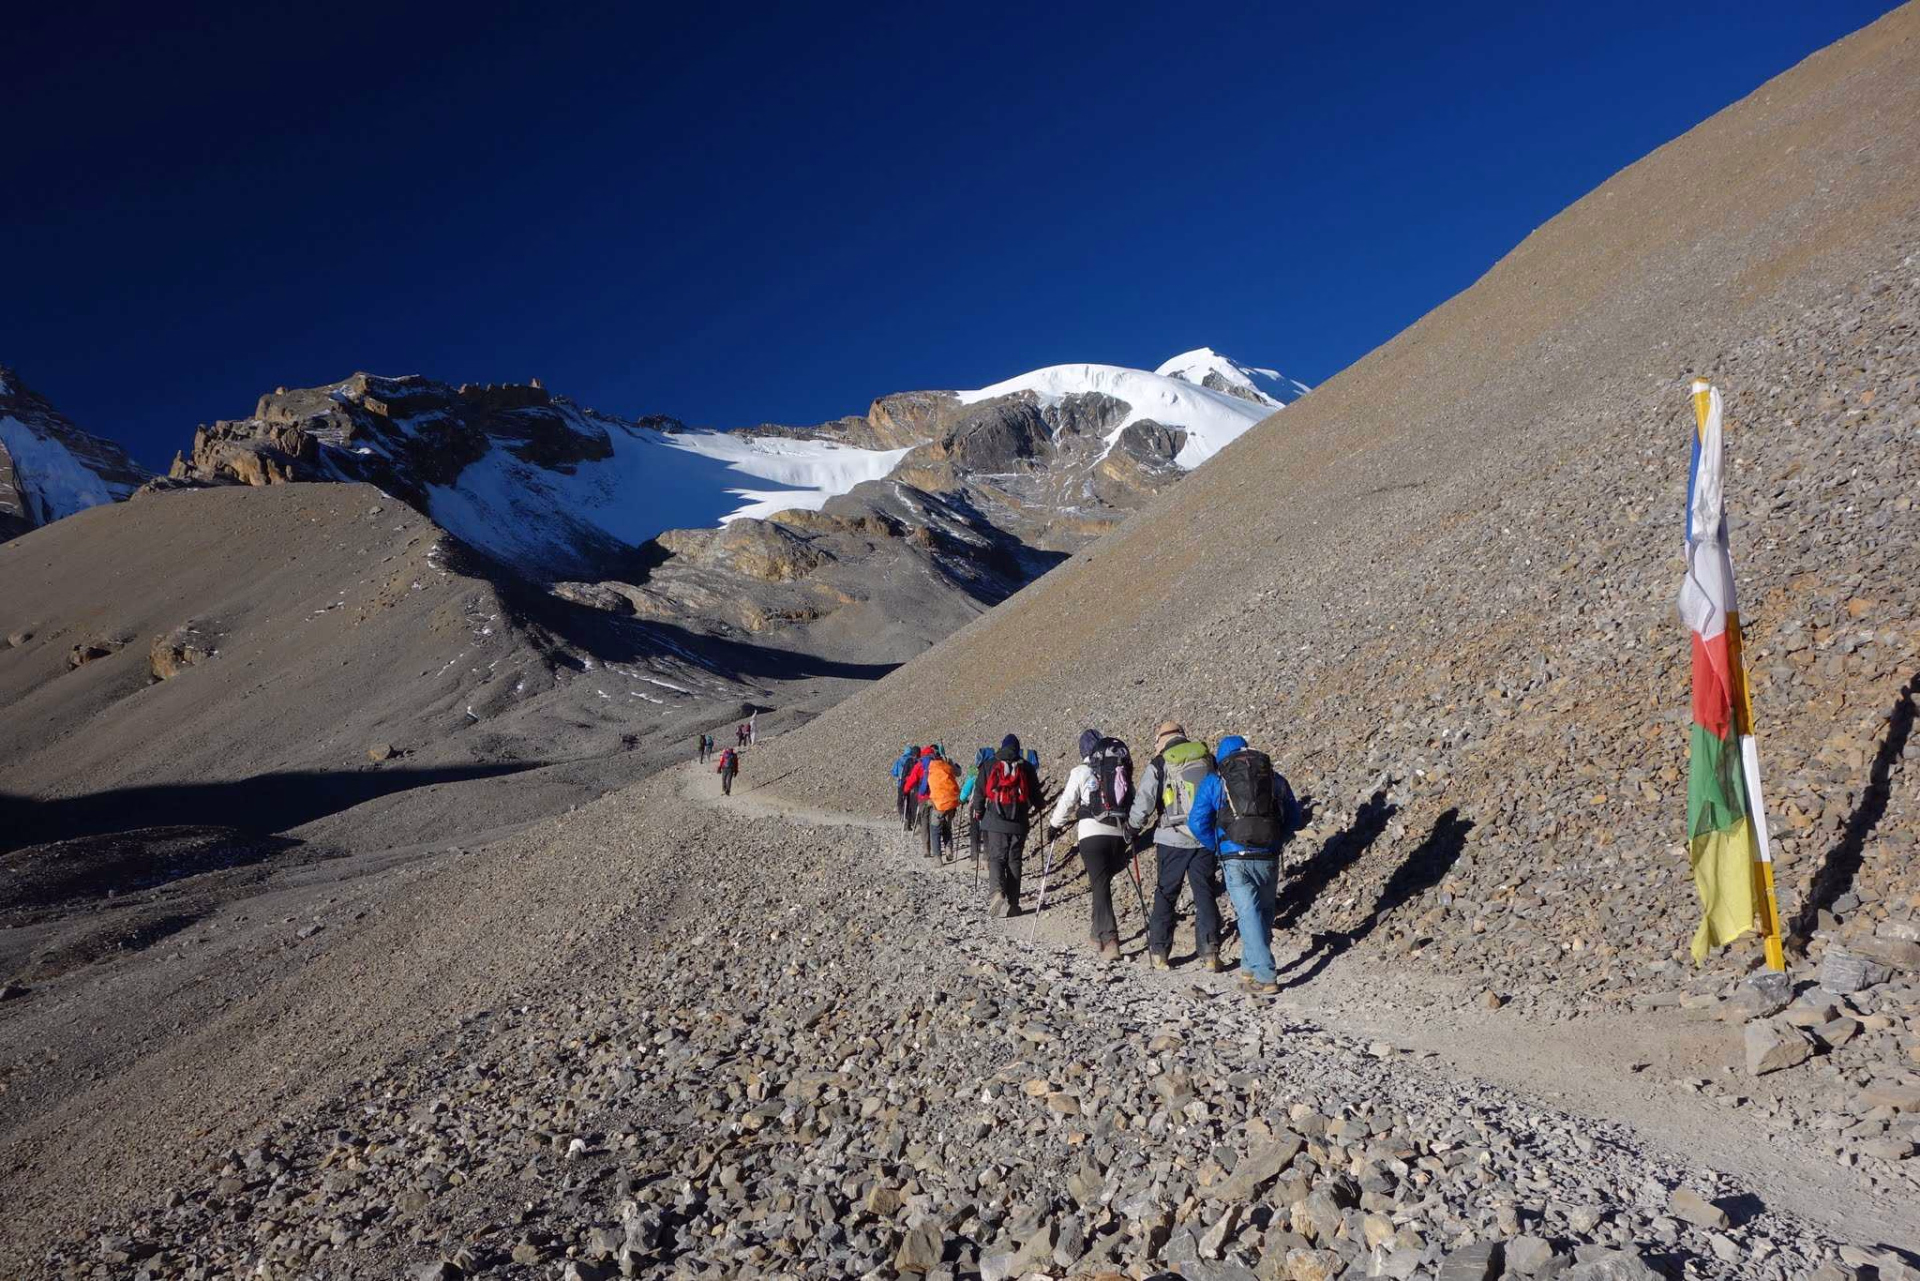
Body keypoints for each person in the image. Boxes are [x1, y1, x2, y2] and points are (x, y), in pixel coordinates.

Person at [1187, 735, 1299, 995]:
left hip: (1234, 856)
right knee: (1263, 914)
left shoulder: (1215, 780)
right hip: (1268, 855)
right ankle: (1248, 968)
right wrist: (1277, 840)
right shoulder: (1273, 778)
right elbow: (1294, 817)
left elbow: (1196, 822)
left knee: (1248, 914)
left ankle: (1266, 975)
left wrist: (1217, 845)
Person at [1129, 721, 1222, 972]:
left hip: (1171, 839)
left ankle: (1160, 953)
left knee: (1166, 894)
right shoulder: (1206, 757)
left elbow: (1145, 801)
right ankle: (1210, 953)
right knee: (1205, 893)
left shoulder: (1160, 763)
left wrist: (1132, 828)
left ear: (1161, 740)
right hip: (1203, 838)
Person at [1046, 728, 1135, 961]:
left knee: (1100, 884)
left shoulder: (1081, 771)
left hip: (1092, 834)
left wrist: (1054, 825)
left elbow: (1067, 801)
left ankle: (1110, 940)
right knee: (1101, 883)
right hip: (1119, 833)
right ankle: (1096, 935)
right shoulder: (1118, 767)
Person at [970, 734, 1042, 916]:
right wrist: (1040, 806)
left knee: (996, 858)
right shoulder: (1026, 767)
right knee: (1014, 861)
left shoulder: (989, 764)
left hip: (995, 821)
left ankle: (997, 892)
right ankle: (1013, 905)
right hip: (1019, 822)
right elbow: (1036, 796)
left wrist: (979, 811)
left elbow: (979, 792)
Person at [924, 748, 962, 861]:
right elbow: (958, 772)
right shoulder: (947, 765)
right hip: (952, 802)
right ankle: (948, 849)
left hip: (938, 804)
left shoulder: (930, 768)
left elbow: (924, 787)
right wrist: (950, 762)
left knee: (935, 829)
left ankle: (938, 858)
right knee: (947, 827)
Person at [959, 747, 994, 865]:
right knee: (987, 830)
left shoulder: (975, 769)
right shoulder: (996, 766)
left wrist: (961, 799)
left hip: (976, 802)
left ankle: (974, 856)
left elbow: (968, 786)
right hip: (992, 803)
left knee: (974, 829)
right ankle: (986, 857)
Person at [900, 744, 939, 834]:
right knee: (934, 817)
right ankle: (936, 836)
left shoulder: (919, 764)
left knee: (922, 814)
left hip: (922, 793)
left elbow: (910, 778)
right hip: (936, 795)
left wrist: (904, 790)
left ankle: (923, 834)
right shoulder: (938, 763)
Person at [891, 745, 919, 820]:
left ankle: (902, 814)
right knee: (911, 801)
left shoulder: (899, 760)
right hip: (913, 785)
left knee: (901, 800)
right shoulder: (915, 760)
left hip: (901, 783)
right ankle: (911, 818)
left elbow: (894, 772)